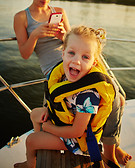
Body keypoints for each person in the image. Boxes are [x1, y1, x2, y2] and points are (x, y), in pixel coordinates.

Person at [14, 26, 117, 168]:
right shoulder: (64, 76)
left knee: (31, 140)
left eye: (85, 57)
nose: (76, 61)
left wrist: (49, 128)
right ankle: (42, 147)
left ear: (94, 63)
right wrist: (48, 115)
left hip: (78, 141)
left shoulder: (88, 95)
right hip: (63, 122)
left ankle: (30, 164)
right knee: (34, 114)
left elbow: (77, 131)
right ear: (63, 54)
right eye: (72, 53)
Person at [14, 0, 70, 78]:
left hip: (73, 62)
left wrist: (63, 36)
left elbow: (73, 43)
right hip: (53, 69)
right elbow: (25, 54)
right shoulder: (21, 17)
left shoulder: (60, 11)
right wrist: (35, 35)